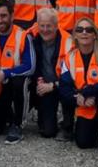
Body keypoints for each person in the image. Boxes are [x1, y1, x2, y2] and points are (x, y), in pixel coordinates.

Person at [0, 0, 34, 144]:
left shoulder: (23, 35)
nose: (0, 20)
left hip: (14, 81)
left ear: (12, 16)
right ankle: (8, 116)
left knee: (20, 82)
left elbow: (30, 67)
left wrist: (5, 73)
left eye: (4, 16)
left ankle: (18, 124)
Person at [58, 17, 98, 150]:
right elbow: (64, 87)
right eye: (79, 30)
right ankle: (94, 131)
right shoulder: (69, 58)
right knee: (83, 143)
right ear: (75, 35)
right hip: (84, 104)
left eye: (89, 30)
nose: (84, 33)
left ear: (95, 35)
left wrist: (88, 92)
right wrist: (78, 99)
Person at [28, 8, 73, 139]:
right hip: (44, 86)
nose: (45, 29)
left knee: (68, 94)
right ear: (38, 25)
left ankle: (68, 124)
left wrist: (53, 85)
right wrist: (38, 81)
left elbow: (73, 76)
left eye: (49, 26)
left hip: (64, 85)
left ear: (56, 25)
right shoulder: (31, 37)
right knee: (47, 132)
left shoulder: (68, 42)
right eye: (42, 25)